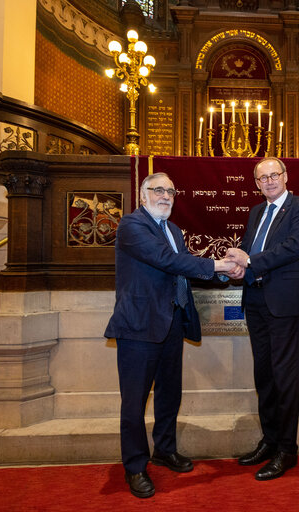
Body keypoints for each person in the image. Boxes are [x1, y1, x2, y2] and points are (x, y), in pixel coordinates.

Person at [104, 172, 236, 499]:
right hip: (139, 325)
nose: (165, 195)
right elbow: (166, 260)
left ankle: (164, 449)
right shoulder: (132, 226)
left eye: (170, 191)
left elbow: (184, 267)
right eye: (157, 190)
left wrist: (226, 276)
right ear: (142, 195)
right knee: (134, 402)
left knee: (169, 394)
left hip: (172, 322)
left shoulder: (174, 230)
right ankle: (135, 466)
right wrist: (220, 265)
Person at [225, 157, 299, 481]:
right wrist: (236, 262)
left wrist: (250, 260)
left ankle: (286, 450)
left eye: (274, 175)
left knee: (284, 377)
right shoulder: (256, 212)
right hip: (256, 300)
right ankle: (270, 440)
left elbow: (292, 248)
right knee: (264, 375)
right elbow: (250, 251)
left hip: (283, 303)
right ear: (256, 183)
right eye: (262, 178)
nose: (269, 181)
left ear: (286, 176)